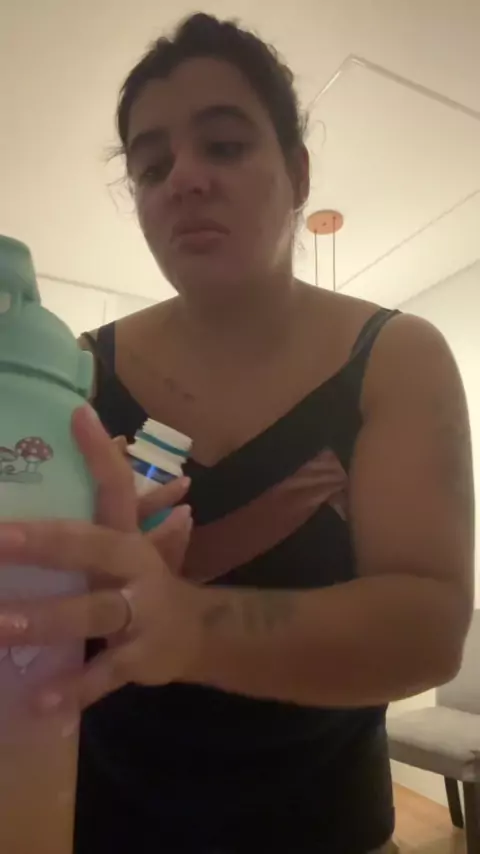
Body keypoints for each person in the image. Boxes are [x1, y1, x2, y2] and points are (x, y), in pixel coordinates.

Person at [0, 12, 474, 854]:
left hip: (329, 834)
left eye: (223, 145)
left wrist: (190, 626)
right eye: (151, 166)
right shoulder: (77, 370)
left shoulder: (398, 357)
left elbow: (429, 629)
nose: (183, 179)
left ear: (297, 172)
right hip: (104, 828)